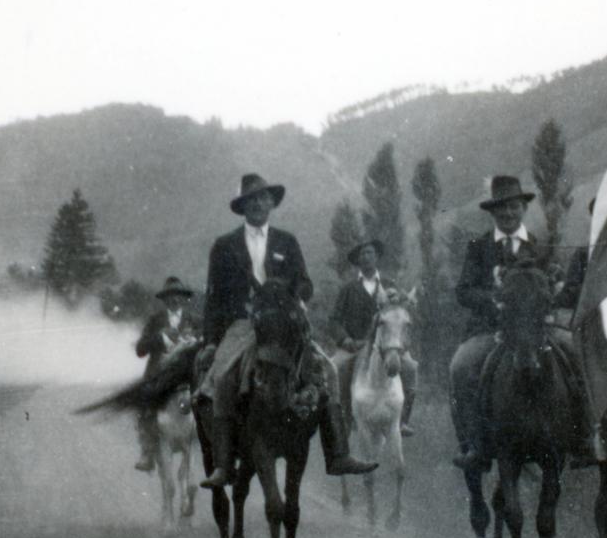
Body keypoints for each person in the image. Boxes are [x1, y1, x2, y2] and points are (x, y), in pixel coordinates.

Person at [198, 172, 375, 489]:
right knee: (223, 377)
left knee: (329, 371)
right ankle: (224, 466)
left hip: (283, 323)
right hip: (242, 325)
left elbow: (305, 282)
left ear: (271, 203)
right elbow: (213, 299)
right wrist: (211, 340)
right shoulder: (224, 246)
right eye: (251, 199)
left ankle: (337, 453)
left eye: (263, 198)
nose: (257, 204)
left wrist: (296, 291)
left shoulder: (287, 241)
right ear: (243, 206)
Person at [448, 175, 543, 471]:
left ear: (523, 209)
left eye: (514, 207)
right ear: (492, 212)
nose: (509, 213)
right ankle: (474, 444)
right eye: (502, 208)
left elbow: (548, 283)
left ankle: (577, 437)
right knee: (461, 366)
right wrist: (492, 301)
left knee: (570, 354)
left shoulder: (537, 246)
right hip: (489, 331)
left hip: (530, 330)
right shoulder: (479, 247)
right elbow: (463, 290)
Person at [329, 237, 417, 437]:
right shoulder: (348, 289)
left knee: (411, 368)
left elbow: (403, 315)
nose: (366, 257)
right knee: (336, 368)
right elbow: (334, 320)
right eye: (362, 254)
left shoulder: (390, 284)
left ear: (377, 257)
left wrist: (397, 302)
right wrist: (345, 340)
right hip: (356, 345)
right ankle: (344, 417)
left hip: (387, 345)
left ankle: (402, 419)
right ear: (357, 262)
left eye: (370, 253)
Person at [131, 275, 200, 471]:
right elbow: (140, 350)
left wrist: (194, 339)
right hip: (159, 374)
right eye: (170, 296)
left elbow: (207, 345)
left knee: (208, 399)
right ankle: (147, 451)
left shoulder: (195, 320)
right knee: (145, 404)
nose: (174, 299)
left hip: (188, 374)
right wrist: (160, 337)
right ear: (164, 299)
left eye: (178, 295)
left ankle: (214, 447)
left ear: (184, 298)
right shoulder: (155, 320)